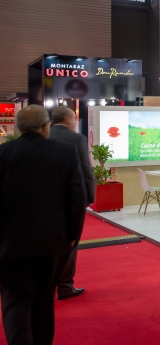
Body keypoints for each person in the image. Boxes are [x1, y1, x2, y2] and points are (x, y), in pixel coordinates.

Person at [0, 105, 86, 345]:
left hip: (9, 245)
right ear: (45, 126)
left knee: (15, 300)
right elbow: (76, 199)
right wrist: (72, 236)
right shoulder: (65, 152)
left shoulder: (3, 153)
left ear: (18, 127)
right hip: (52, 242)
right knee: (44, 298)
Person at [49, 106, 95, 301]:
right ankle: (65, 286)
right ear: (68, 119)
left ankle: (47, 284)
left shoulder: (43, 135)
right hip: (71, 200)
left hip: (45, 200)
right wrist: (90, 197)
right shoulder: (76, 139)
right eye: (74, 119)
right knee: (70, 241)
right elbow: (85, 170)